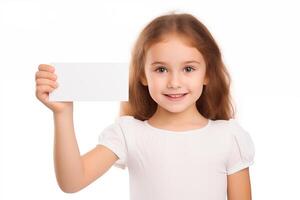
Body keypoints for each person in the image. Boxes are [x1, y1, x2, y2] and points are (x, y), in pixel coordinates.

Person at [35, 11, 255, 200]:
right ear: (142, 74)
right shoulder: (128, 133)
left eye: (188, 69)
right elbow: (72, 182)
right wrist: (62, 114)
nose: (174, 83)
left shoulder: (229, 137)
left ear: (207, 73)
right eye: (161, 69)